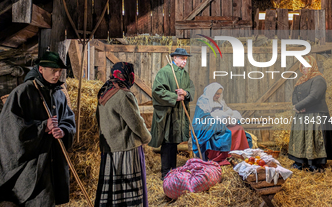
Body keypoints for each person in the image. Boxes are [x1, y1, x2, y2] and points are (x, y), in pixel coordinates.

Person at [0, 51, 76, 206]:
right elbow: (10, 130)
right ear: (41, 69)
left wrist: (63, 130)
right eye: (53, 70)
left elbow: (69, 120)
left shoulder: (59, 94)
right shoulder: (23, 93)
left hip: (53, 162)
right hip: (32, 165)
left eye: (59, 71)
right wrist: (42, 127)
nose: (57, 75)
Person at [95, 62, 151, 207]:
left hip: (109, 148)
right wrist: (147, 138)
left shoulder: (105, 90)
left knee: (113, 190)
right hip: (126, 148)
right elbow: (136, 122)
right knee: (128, 191)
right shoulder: (123, 94)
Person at [149, 48, 195, 180]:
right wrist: (174, 97)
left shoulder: (184, 74)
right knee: (167, 142)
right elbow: (157, 91)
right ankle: (165, 173)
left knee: (174, 142)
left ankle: (173, 171)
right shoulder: (165, 72)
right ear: (174, 58)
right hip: (168, 113)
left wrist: (186, 93)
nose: (184, 61)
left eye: (186, 59)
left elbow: (191, 88)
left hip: (179, 114)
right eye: (182, 58)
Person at [288, 55, 332, 172]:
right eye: (302, 66)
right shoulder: (300, 81)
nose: (304, 68)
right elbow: (294, 95)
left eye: (307, 66)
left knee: (314, 140)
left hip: (315, 114)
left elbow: (314, 96)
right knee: (301, 139)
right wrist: (297, 107)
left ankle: (314, 164)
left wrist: (301, 106)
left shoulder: (319, 79)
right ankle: (300, 162)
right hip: (302, 115)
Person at [192, 82, 253, 164]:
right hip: (211, 126)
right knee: (227, 133)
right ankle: (222, 156)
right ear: (212, 92)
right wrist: (218, 121)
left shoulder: (220, 101)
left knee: (239, 128)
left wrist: (229, 117)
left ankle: (238, 154)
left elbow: (226, 111)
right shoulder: (203, 101)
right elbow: (201, 119)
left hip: (223, 123)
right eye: (217, 94)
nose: (218, 96)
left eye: (220, 94)